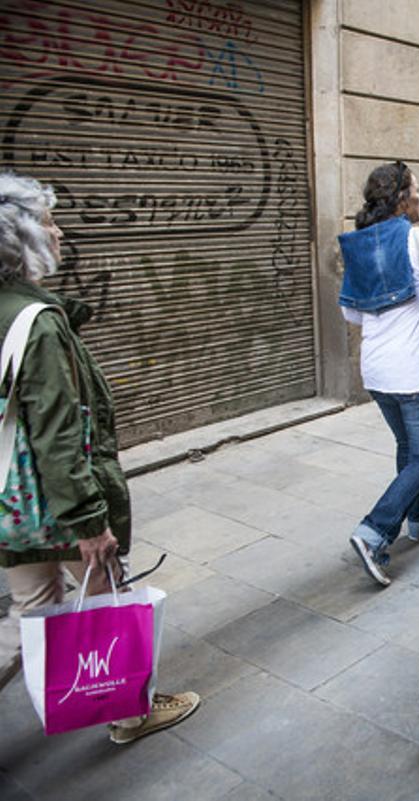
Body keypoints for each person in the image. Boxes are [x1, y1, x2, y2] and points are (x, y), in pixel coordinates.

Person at [0, 173, 200, 743]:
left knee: (29, 612)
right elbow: (61, 434)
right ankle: (129, 710)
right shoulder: (36, 324)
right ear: (20, 241)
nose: (58, 231)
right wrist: (91, 522)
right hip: (55, 503)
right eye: (46, 222)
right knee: (105, 593)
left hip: (8, 502)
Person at [341, 162, 419, 587]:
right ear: (403, 198)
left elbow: (351, 312)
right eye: (418, 189)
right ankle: (374, 532)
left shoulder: (358, 244)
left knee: (408, 446)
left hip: (376, 368)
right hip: (416, 367)